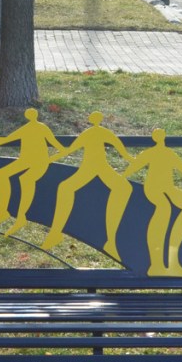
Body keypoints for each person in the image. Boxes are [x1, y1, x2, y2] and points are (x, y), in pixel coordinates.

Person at [122, 128, 182, 276]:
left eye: (162, 135)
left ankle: (173, 261)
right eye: (158, 135)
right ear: (156, 138)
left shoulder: (168, 153)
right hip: (153, 189)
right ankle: (156, 264)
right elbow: (134, 166)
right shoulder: (151, 152)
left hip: (167, 188)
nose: (161, 137)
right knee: (164, 209)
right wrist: (121, 176)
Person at [41, 111, 133, 261]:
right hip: (90, 167)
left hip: (100, 167)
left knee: (123, 188)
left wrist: (134, 160)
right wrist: (49, 159)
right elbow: (71, 149)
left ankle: (110, 240)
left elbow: (120, 148)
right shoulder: (94, 132)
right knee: (65, 187)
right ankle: (56, 233)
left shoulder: (97, 132)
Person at [0, 108, 66, 236]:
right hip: (25, 160)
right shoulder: (26, 128)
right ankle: (2, 211)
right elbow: (6, 139)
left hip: (39, 162)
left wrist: (49, 160)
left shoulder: (42, 128)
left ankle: (21, 217)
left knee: (25, 179)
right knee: (1, 174)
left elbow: (60, 148)